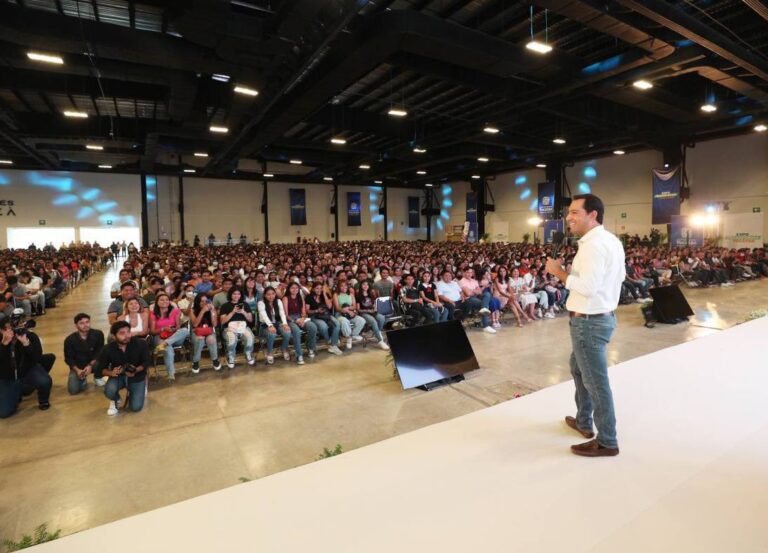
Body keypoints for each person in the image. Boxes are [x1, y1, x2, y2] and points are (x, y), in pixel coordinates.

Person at [545, 194, 625, 457]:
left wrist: (559, 273)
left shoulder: (593, 246)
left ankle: (607, 441)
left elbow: (589, 288)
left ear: (593, 215)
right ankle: (583, 421)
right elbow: (616, 278)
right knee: (577, 369)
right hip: (599, 318)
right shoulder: (610, 240)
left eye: (574, 212)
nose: (568, 217)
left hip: (589, 322)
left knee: (595, 381)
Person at [0, 317, 53, 417]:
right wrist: (4, 344)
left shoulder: (30, 336)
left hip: (27, 370)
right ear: (1, 330)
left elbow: (37, 357)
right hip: (7, 377)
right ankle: (18, 391)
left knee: (45, 381)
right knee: (4, 413)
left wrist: (26, 343)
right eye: (9, 328)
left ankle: (43, 401)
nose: (13, 331)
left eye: (14, 327)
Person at [95, 321, 151, 416]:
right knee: (109, 391)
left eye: (128, 332)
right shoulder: (107, 349)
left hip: (137, 376)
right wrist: (111, 373)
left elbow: (147, 362)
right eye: (122, 333)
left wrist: (136, 370)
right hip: (118, 376)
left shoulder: (141, 343)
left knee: (135, 408)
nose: (126, 335)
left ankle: (140, 388)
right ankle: (115, 400)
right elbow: (100, 370)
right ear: (114, 336)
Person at [149, 293, 190, 381]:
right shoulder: (153, 314)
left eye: (166, 299)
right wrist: (163, 328)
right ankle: (171, 374)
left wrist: (173, 329)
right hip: (159, 336)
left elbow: (178, 327)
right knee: (168, 348)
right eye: (162, 300)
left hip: (174, 336)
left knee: (185, 330)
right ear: (157, 302)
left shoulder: (175, 311)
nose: (165, 301)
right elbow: (152, 331)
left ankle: (164, 344)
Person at [64, 313, 105, 395]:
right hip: (78, 366)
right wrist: (77, 370)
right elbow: (68, 358)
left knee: (104, 358)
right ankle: (82, 378)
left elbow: (100, 351)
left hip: (94, 363)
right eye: (81, 323)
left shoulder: (98, 334)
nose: (85, 325)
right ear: (76, 325)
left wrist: (90, 365)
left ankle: (98, 376)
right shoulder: (69, 340)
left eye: (87, 322)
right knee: (73, 390)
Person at [220, 287, 256, 368]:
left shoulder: (245, 304)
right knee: (232, 339)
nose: (236, 296)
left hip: (243, 327)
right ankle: (230, 356)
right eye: (234, 294)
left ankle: (248, 353)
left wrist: (243, 312)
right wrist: (232, 312)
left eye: (238, 294)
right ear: (230, 295)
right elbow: (222, 321)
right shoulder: (225, 306)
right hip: (229, 328)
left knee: (250, 337)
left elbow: (250, 320)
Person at [305, 282, 343, 356]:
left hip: (326, 315)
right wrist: (316, 310)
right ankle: (329, 340)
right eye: (317, 288)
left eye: (321, 288)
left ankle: (333, 346)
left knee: (337, 324)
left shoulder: (324, 295)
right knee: (323, 326)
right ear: (313, 289)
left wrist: (325, 294)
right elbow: (307, 310)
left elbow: (329, 307)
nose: (319, 290)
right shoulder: (309, 297)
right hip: (315, 316)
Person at [282, 282, 316, 364]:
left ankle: (310, 347)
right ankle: (299, 355)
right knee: (296, 331)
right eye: (292, 288)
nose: (295, 289)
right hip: (290, 319)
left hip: (300, 317)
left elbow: (304, 312)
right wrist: (295, 320)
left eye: (296, 288)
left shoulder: (300, 297)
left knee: (313, 327)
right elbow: (286, 315)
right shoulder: (285, 298)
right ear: (289, 289)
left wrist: (302, 319)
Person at [257, 286, 291, 364]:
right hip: (264, 325)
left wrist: (285, 324)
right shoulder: (261, 303)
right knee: (272, 334)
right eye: (268, 294)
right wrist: (270, 325)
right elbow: (264, 315)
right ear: (265, 295)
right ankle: (270, 352)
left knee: (287, 331)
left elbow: (282, 313)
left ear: (275, 294)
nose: (271, 296)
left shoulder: (278, 301)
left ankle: (284, 348)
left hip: (277, 323)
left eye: (273, 294)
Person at [189, 293, 222, 373]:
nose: (204, 303)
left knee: (211, 340)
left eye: (206, 301)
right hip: (197, 331)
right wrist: (202, 311)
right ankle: (196, 361)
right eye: (201, 301)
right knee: (199, 340)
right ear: (197, 302)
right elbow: (195, 324)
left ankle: (215, 359)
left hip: (209, 330)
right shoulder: (192, 310)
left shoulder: (211, 309)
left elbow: (214, 324)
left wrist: (212, 311)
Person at [355, 280, 390, 350]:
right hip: (363, 313)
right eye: (364, 284)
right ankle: (380, 341)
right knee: (373, 322)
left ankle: (377, 332)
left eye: (367, 285)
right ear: (361, 286)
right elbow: (358, 309)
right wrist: (368, 310)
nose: (365, 286)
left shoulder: (371, 294)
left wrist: (375, 308)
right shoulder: (358, 295)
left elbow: (374, 304)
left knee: (382, 318)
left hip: (372, 311)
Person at [332, 281, 366, 350]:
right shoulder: (336, 295)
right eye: (341, 286)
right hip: (340, 314)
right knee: (344, 321)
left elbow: (354, 306)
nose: (344, 287)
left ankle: (354, 335)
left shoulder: (351, 294)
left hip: (351, 314)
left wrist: (349, 309)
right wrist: (346, 310)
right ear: (339, 287)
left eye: (345, 285)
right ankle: (348, 337)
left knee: (362, 320)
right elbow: (337, 308)